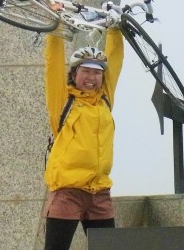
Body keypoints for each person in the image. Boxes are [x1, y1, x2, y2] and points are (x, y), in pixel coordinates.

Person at [41, 26, 124, 250]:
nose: (91, 77)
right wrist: (55, 29)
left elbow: (115, 63)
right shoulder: (63, 101)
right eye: (86, 71)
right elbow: (53, 67)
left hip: (100, 192)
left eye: (97, 72)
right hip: (68, 192)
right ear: (74, 73)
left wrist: (115, 31)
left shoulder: (104, 101)